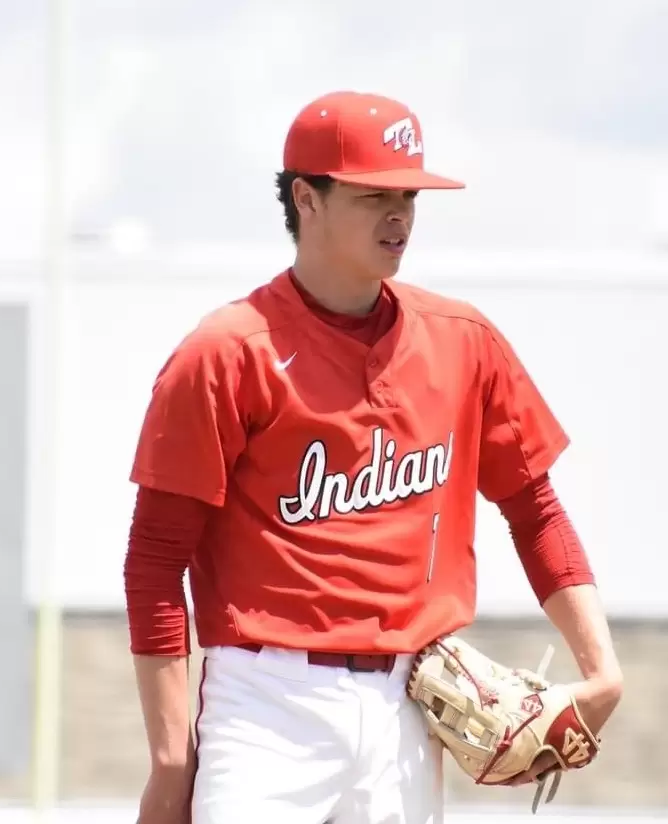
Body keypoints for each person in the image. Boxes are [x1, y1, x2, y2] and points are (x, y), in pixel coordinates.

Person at [123, 90, 623, 824]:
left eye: (409, 196)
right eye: (374, 196)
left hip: (409, 707)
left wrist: (602, 669)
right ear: (307, 198)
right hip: (266, 705)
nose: (400, 215)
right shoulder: (227, 352)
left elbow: (535, 508)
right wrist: (171, 759)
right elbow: (155, 558)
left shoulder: (463, 340)